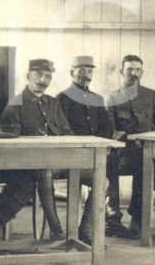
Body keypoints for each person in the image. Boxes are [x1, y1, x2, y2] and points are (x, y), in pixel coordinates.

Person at [57, 55, 132, 241]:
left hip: (93, 155)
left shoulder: (96, 99)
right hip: (69, 157)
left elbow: (107, 126)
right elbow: (61, 129)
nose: (86, 75)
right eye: (81, 71)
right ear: (71, 73)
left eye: (89, 71)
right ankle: (81, 231)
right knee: (102, 179)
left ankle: (89, 228)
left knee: (107, 171)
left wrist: (102, 143)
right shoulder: (62, 99)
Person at [0, 59, 74, 245]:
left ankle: (82, 233)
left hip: (57, 161)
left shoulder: (53, 103)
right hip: (25, 164)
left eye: (48, 76)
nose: (43, 80)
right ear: (28, 76)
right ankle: (56, 230)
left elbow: (67, 133)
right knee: (44, 171)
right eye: (38, 75)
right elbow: (8, 143)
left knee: (99, 177)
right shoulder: (15, 104)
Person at [107, 54, 155, 237]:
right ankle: (112, 219)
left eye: (137, 70)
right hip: (121, 155)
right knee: (110, 163)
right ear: (121, 72)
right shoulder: (112, 98)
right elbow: (110, 133)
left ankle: (138, 220)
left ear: (142, 72)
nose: (133, 73)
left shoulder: (151, 96)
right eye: (129, 70)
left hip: (145, 153)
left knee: (146, 163)